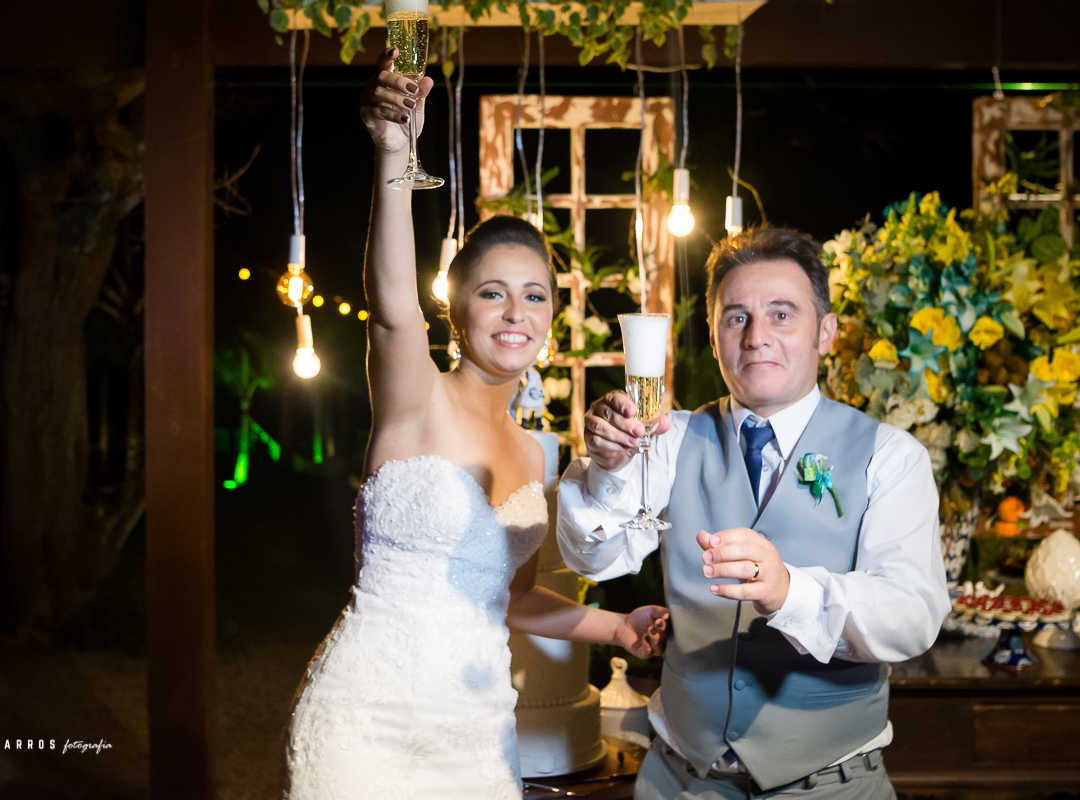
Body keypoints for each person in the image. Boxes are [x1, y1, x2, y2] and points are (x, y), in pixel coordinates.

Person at [281, 48, 670, 800]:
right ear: (456, 313)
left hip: (478, 732)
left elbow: (512, 600)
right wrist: (394, 156)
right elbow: (392, 303)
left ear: (552, 321)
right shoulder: (414, 395)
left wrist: (615, 629)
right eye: (492, 293)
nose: (515, 312)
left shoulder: (536, 453)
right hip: (365, 720)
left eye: (534, 296)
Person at [556, 226, 951, 799]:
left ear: (826, 332)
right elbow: (594, 560)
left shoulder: (890, 456)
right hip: (678, 780)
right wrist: (610, 470)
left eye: (782, 314)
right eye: (736, 317)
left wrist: (790, 591)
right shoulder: (670, 437)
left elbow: (911, 616)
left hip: (830, 786)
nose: (756, 336)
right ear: (714, 338)